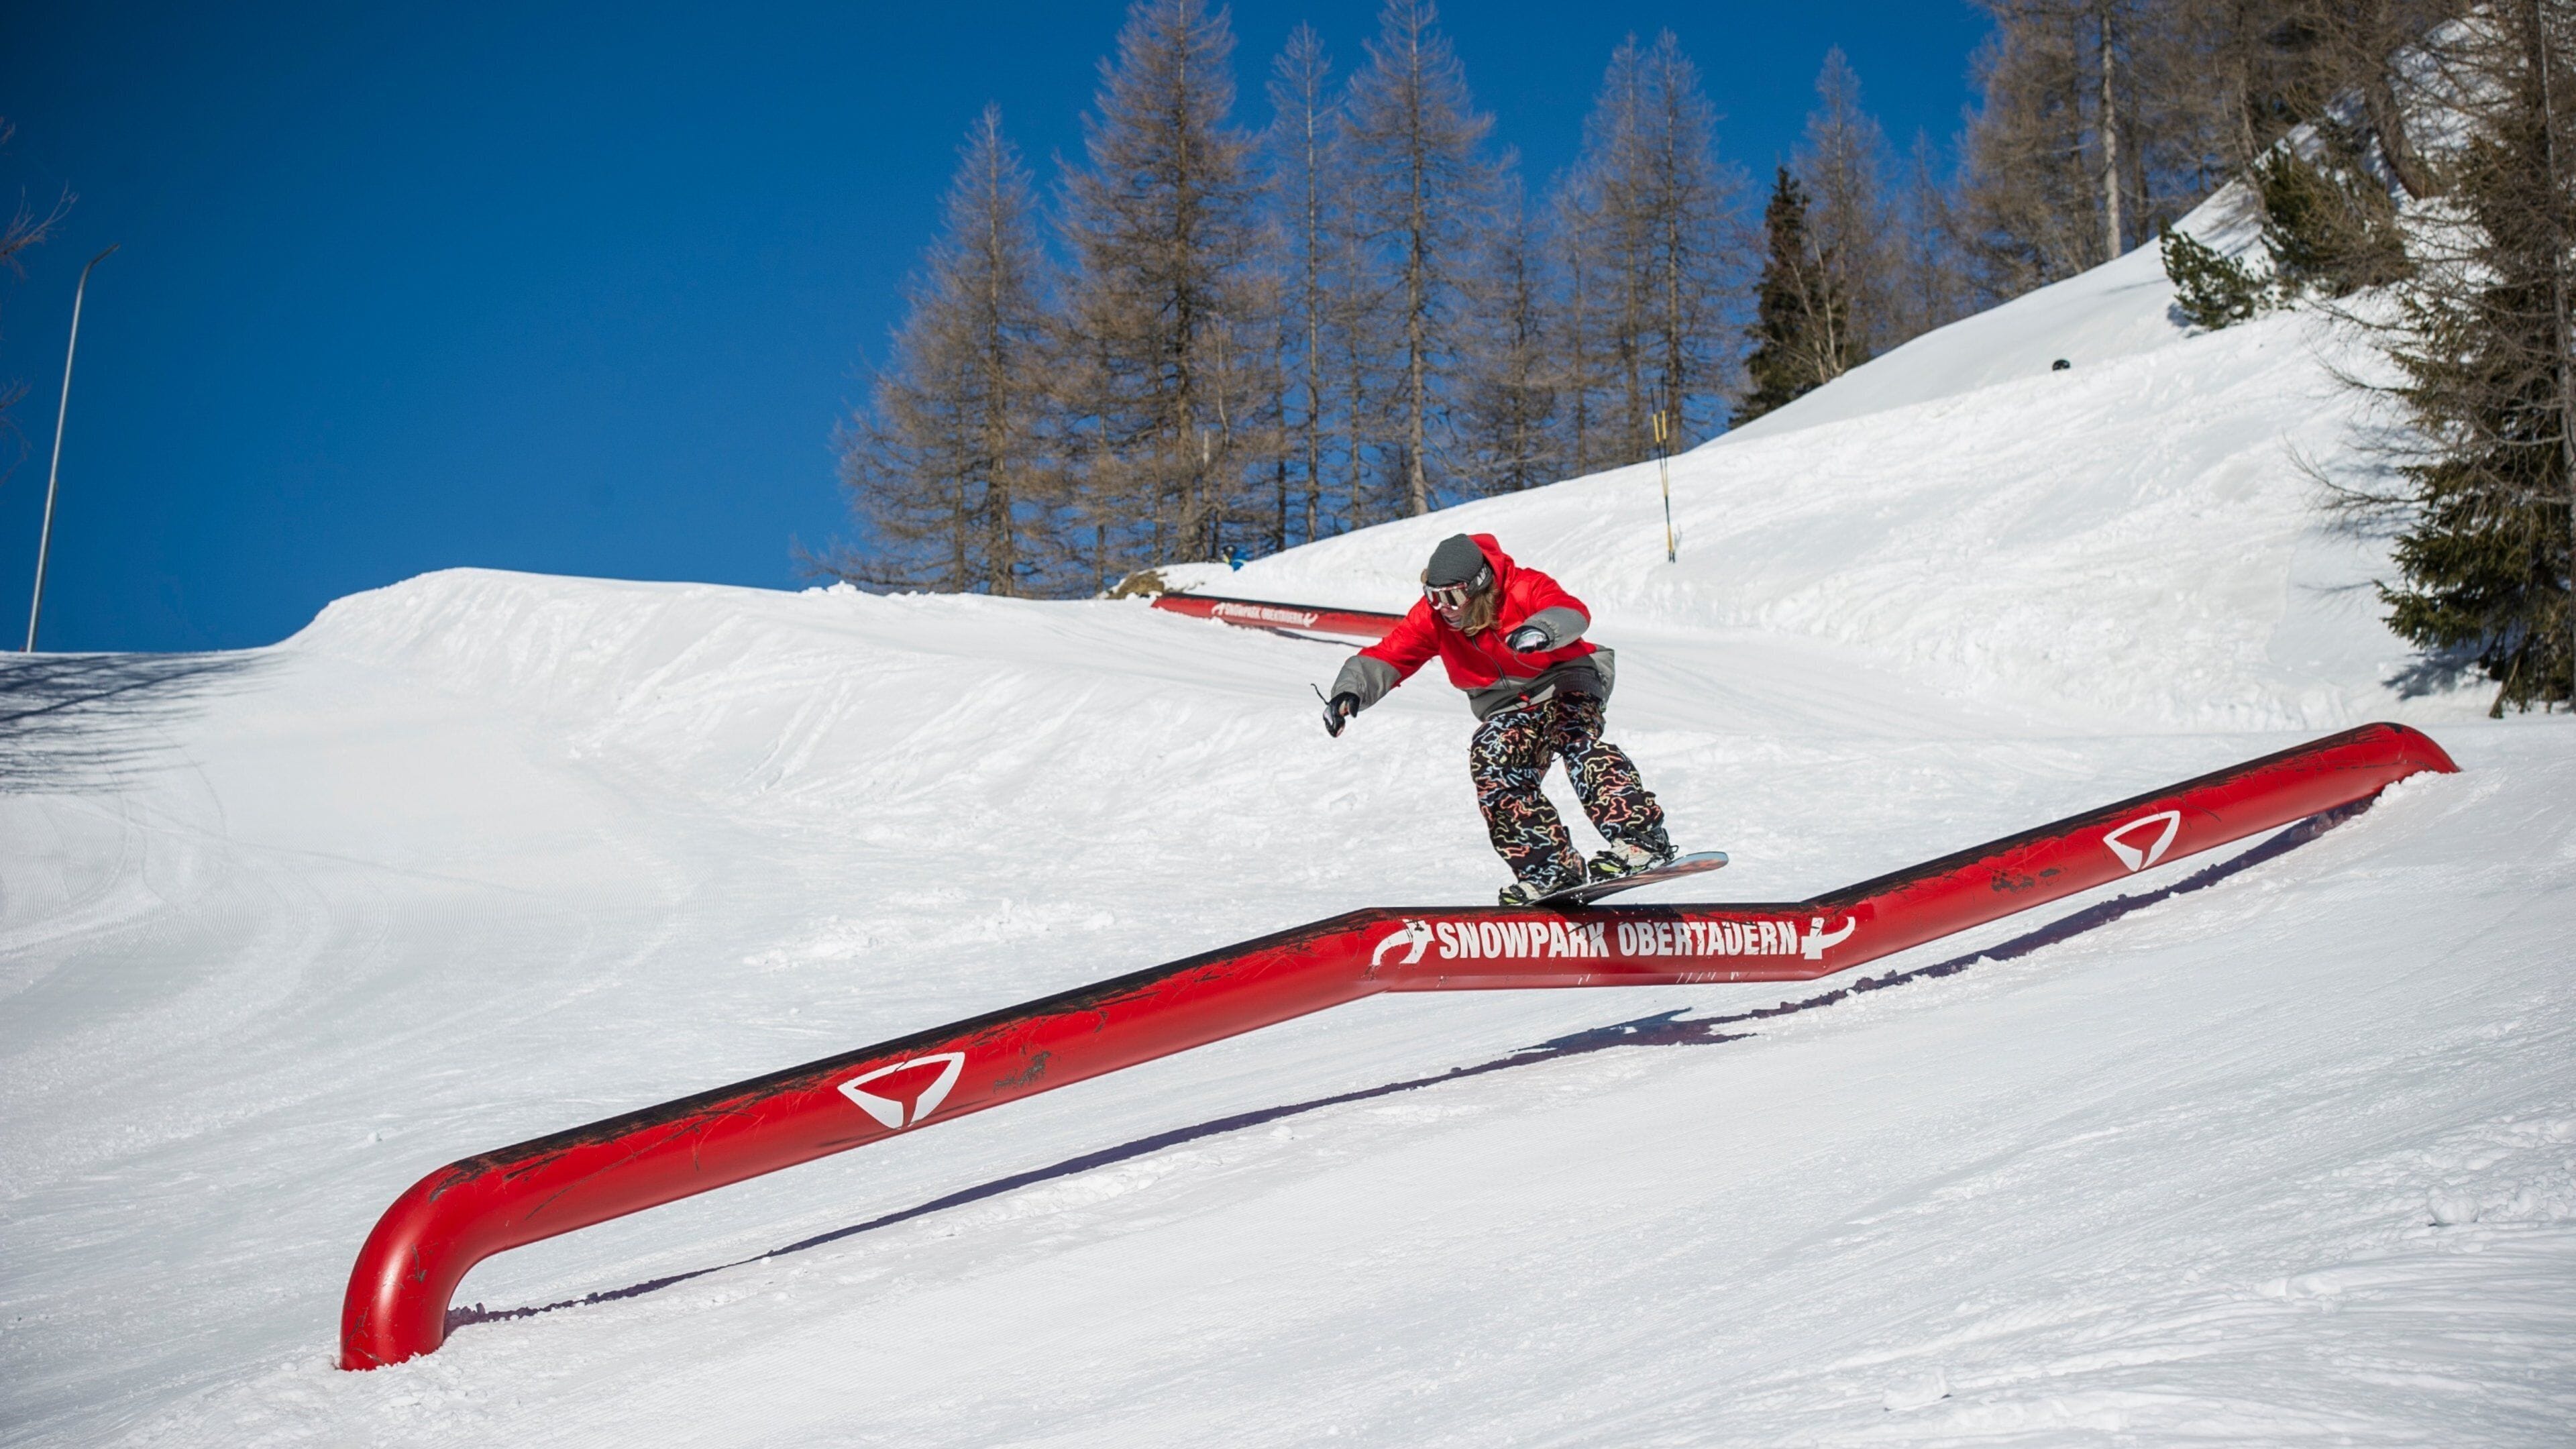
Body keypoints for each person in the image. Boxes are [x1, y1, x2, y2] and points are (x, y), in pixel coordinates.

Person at [1321, 533, 1676, 906]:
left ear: (1478, 588)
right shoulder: (1433, 618)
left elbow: (1571, 611)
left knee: (1575, 738)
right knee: (1492, 759)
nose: (1444, 608)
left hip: (1564, 679)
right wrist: (1350, 690)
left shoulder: (1523, 587)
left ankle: (1640, 838)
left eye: (1454, 597)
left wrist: (1542, 630)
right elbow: (1390, 655)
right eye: (1433, 596)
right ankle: (1549, 868)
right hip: (1506, 706)